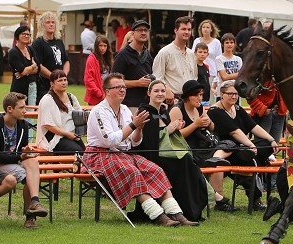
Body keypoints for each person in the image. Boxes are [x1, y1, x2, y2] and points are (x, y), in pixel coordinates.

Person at [82, 74, 196, 226]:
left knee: (155, 170)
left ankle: (177, 214)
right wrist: (134, 125)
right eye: (118, 87)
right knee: (133, 172)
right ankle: (158, 216)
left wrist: (138, 129)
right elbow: (108, 141)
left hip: (123, 154)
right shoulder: (98, 111)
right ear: (107, 91)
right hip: (99, 154)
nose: (123, 90)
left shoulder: (124, 110)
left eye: (124, 87)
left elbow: (135, 143)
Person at [136, 79, 206, 222]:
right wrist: (168, 130)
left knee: (189, 161)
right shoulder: (144, 111)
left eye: (162, 90)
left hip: (166, 152)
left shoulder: (163, 111)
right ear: (148, 93)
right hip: (151, 156)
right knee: (184, 162)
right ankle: (181, 211)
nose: (160, 93)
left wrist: (176, 128)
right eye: (156, 91)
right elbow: (147, 141)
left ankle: (189, 210)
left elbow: (168, 134)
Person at [209, 80, 279, 210]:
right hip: (228, 150)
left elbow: (253, 126)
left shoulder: (238, 109)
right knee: (248, 161)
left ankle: (252, 155)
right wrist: (251, 145)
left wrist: (271, 140)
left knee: (265, 144)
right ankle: (256, 199)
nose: (234, 97)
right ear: (222, 94)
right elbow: (235, 131)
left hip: (243, 147)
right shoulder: (215, 111)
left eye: (236, 94)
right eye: (230, 94)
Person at [0, 92, 46, 229]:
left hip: (14, 162)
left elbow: (20, 151)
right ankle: (31, 216)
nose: (25, 111)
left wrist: (26, 152)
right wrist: (20, 156)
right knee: (30, 177)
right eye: (21, 108)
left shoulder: (23, 125)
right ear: (9, 109)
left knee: (33, 162)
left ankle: (34, 203)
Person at [172, 79, 233, 212]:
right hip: (190, 150)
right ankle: (219, 198)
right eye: (197, 95)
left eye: (201, 95)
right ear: (188, 96)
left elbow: (212, 128)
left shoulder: (199, 108)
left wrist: (208, 122)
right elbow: (176, 136)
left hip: (207, 145)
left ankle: (216, 159)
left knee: (233, 145)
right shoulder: (177, 110)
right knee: (221, 158)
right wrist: (196, 124)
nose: (200, 98)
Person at [36, 70, 86, 154]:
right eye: (60, 80)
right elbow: (47, 125)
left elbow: (79, 115)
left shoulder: (71, 97)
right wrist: (66, 134)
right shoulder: (47, 99)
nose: (64, 83)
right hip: (54, 137)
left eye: (65, 80)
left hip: (71, 135)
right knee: (78, 152)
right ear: (52, 84)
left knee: (86, 153)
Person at [153, 15, 197, 103]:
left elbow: (194, 78)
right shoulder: (165, 52)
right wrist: (166, 89)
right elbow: (157, 77)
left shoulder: (191, 54)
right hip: (171, 100)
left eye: (189, 29)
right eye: (183, 29)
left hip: (188, 100)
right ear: (176, 30)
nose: (187, 32)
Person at [111, 19, 154, 108]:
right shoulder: (123, 55)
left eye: (145, 30)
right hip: (128, 105)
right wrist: (138, 83)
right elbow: (113, 81)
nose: (143, 33)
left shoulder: (147, 53)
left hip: (147, 104)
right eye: (140, 30)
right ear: (133, 33)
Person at [31, 11, 70, 98]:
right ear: (42, 25)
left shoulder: (59, 41)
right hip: (44, 85)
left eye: (53, 22)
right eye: (48, 22)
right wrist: (54, 78)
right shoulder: (38, 43)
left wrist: (63, 77)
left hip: (59, 85)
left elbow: (66, 60)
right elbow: (39, 66)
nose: (51, 24)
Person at [7, 25, 39, 99]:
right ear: (17, 36)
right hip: (19, 89)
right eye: (23, 34)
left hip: (32, 87)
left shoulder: (30, 49)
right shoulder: (13, 52)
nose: (26, 36)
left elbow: (38, 69)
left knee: (31, 109)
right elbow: (23, 71)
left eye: (28, 34)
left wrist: (25, 72)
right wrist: (32, 66)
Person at [191, 19, 222, 91]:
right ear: (201, 29)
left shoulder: (216, 42)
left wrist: (218, 74)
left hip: (211, 72)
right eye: (203, 27)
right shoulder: (197, 41)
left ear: (211, 29)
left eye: (207, 27)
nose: (205, 29)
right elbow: (192, 55)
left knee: (210, 94)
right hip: (197, 71)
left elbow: (219, 59)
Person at [84, 35, 112, 106]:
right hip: (96, 97)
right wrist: (99, 94)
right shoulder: (92, 58)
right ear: (96, 46)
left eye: (105, 46)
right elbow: (88, 79)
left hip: (108, 94)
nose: (103, 48)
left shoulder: (108, 58)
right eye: (100, 45)